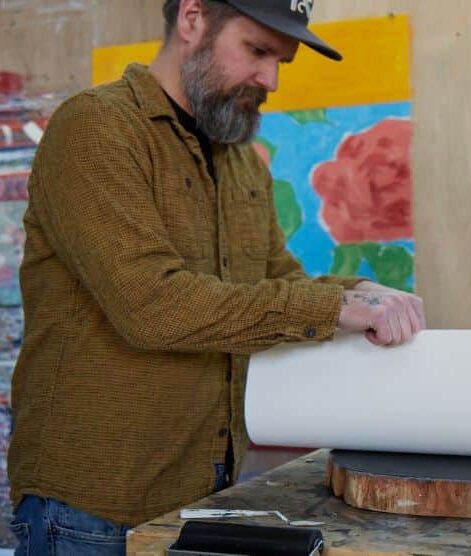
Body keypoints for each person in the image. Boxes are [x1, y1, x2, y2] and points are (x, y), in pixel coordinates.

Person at [7, 1, 425, 554]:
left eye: (282, 61)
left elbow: (276, 277)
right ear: (192, 18)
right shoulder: (96, 128)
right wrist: (332, 310)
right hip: (92, 509)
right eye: (256, 51)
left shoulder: (240, 161)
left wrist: (361, 293)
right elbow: (151, 304)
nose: (271, 79)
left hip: (204, 495)